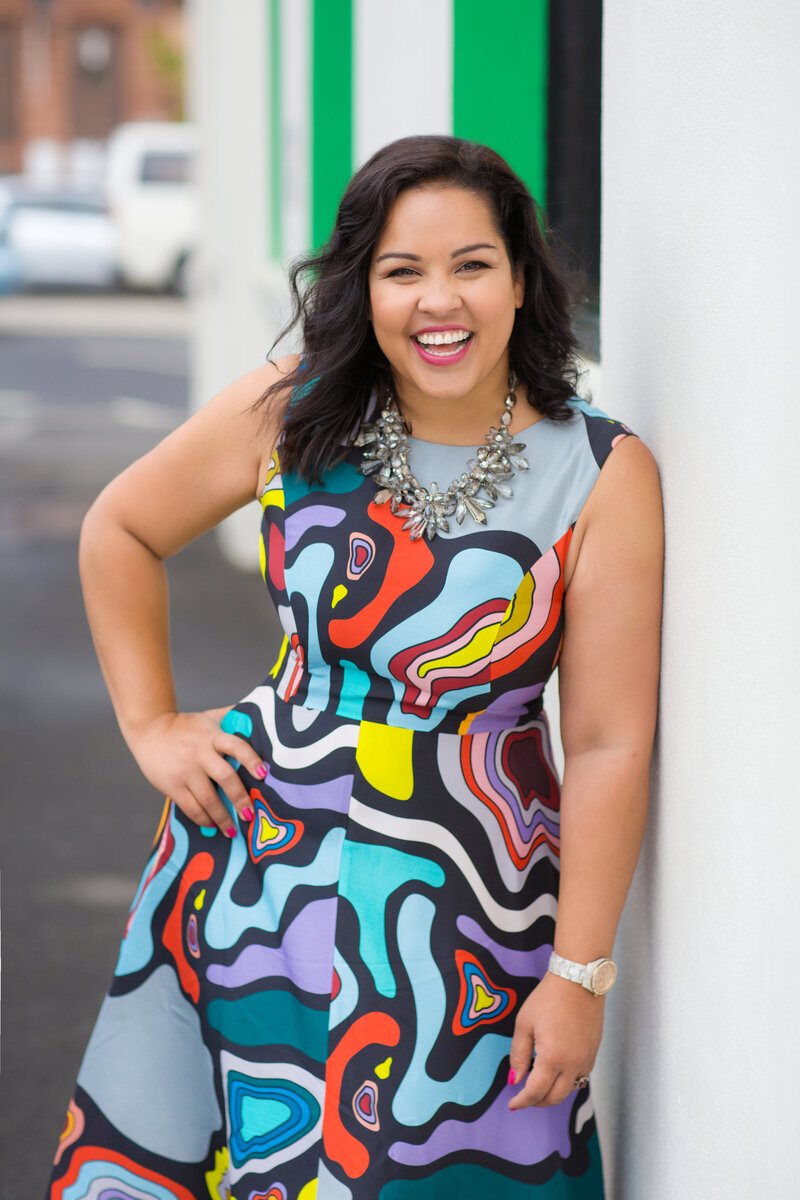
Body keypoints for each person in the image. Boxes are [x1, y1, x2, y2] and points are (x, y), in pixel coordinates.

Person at [47, 135, 663, 1199]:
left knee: (455, 1166)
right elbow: (120, 530)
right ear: (360, 289)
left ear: (521, 279)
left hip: (473, 910)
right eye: (401, 270)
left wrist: (578, 974)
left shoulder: (599, 471)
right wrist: (151, 727)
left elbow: (609, 740)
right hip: (255, 878)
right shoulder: (295, 413)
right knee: (250, 1158)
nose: (440, 302)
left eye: (471, 264)